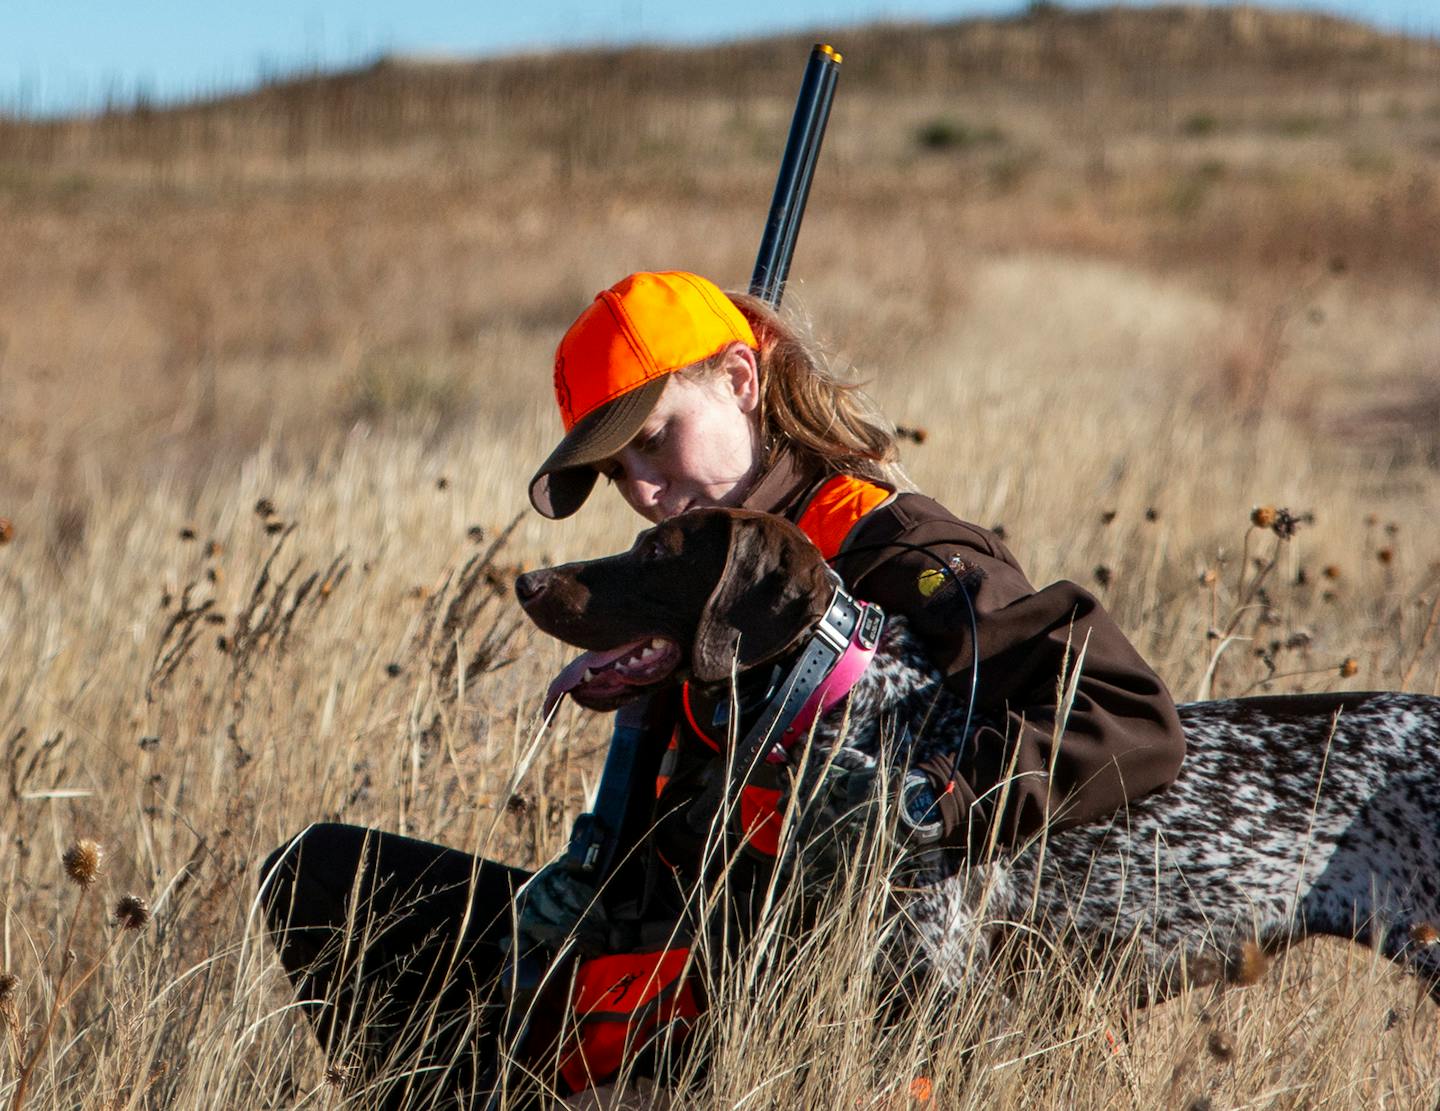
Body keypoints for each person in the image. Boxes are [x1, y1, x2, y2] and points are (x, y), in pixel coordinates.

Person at [259, 270, 1187, 1106]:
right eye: (619, 471)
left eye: (657, 439)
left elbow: (1129, 719)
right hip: (665, 954)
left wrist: (923, 802)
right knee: (316, 875)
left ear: (743, 380)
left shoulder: (896, 550)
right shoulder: (682, 573)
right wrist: (582, 880)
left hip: (817, 1004)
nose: (646, 489)